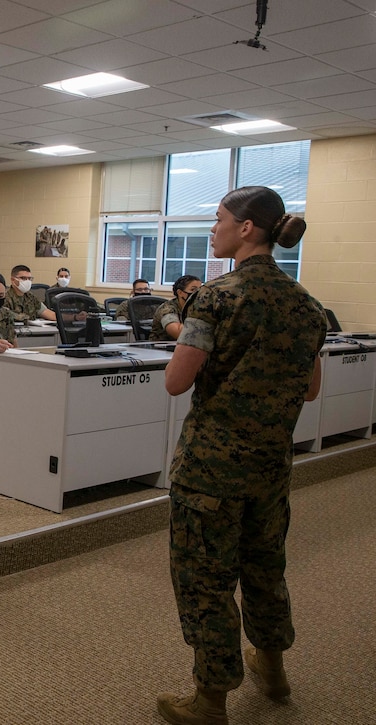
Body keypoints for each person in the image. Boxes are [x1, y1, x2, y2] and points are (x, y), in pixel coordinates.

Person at [156, 187, 325, 725]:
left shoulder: (216, 297)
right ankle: (272, 669)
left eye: (218, 219)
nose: (213, 229)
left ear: (247, 228)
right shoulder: (307, 305)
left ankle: (210, 700)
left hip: (211, 469)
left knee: (205, 579)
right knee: (264, 566)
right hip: (271, 468)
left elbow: (176, 381)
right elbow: (311, 390)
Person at [150, 275, 202, 341]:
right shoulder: (167, 309)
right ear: (180, 293)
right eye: (193, 290)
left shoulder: (195, 307)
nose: (198, 293)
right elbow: (177, 333)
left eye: (200, 290)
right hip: (162, 345)